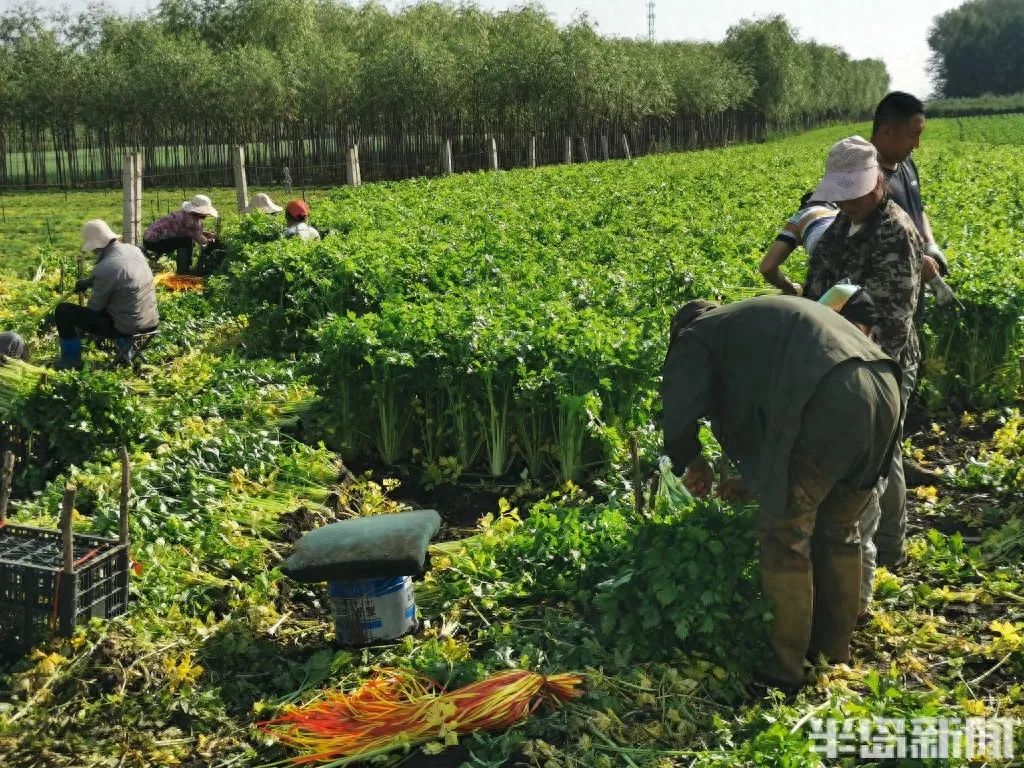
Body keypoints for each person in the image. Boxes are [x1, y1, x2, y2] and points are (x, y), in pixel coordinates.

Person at [661, 295, 901, 689]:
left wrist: (692, 459)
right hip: (882, 386)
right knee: (840, 529)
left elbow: (680, 403)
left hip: (831, 393)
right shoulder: (756, 323)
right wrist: (758, 480)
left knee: (784, 537)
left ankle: (783, 669)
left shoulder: (698, 335)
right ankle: (832, 654)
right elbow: (780, 430)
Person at [803, 136, 924, 608]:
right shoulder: (839, 228)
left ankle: (891, 549)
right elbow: (816, 293)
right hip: (836, 362)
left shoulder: (896, 232)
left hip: (882, 362)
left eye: (854, 191)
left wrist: (862, 375)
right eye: (842, 192)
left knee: (881, 455)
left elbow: (894, 316)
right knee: (866, 459)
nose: (847, 200)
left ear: (876, 183)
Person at [54, 220, 159, 370]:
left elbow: (95, 308)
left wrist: (94, 283)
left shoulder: (104, 268)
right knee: (123, 302)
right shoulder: (134, 250)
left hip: (126, 327)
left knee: (63, 311)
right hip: (150, 321)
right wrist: (91, 282)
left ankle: (71, 360)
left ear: (96, 245)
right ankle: (125, 353)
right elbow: (123, 277)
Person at [759, 192, 839, 295]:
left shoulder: (799, 218)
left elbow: (767, 268)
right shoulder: (842, 214)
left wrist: (789, 288)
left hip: (827, 257)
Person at [143, 194, 220, 274]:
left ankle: (185, 267)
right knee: (186, 241)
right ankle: (183, 271)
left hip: (149, 239)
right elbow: (201, 240)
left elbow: (194, 232)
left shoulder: (187, 215)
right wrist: (212, 240)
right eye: (205, 213)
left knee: (187, 240)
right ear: (198, 212)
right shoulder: (189, 221)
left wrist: (209, 234)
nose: (206, 215)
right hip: (153, 242)